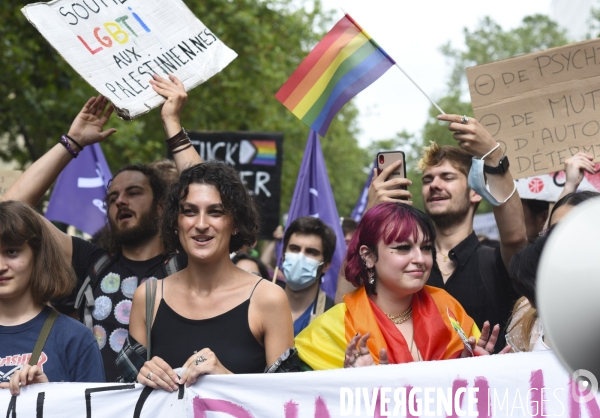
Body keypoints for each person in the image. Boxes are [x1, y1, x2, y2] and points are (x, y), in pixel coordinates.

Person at [2, 74, 201, 381]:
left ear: (162, 205)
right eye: (112, 197)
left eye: (133, 193)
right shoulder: (92, 262)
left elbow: (206, 198)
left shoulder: (187, 264)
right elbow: (12, 209)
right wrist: (73, 142)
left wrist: (172, 123)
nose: (120, 201)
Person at [336, 115, 527, 353]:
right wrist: (369, 219)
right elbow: (342, 307)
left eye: (447, 177)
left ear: (476, 192)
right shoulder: (397, 265)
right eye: (427, 180)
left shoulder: (494, 260)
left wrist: (493, 154)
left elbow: (516, 237)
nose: (434, 185)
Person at [128, 162, 293, 391]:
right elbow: (123, 399)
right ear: (176, 222)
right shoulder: (147, 297)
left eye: (215, 212)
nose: (202, 224)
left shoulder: (269, 299)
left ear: (235, 223)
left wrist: (226, 379)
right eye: (190, 211)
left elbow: (286, 404)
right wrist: (140, 376)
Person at [296, 203, 508, 370]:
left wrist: (477, 370)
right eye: (403, 248)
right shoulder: (333, 328)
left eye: (426, 248)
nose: (420, 259)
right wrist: (354, 385)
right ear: (368, 256)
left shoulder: (448, 308)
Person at [0, 201, 104, 394]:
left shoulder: (75, 338)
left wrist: (50, 398)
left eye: (11, 251)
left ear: (37, 255)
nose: (1, 266)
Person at [282, 216, 336, 336]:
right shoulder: (259, 302)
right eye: (294, 249)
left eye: (311, 252)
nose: (300, 257)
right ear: (283, 255)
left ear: (326, 265)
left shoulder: (332, 316)